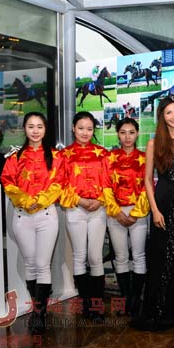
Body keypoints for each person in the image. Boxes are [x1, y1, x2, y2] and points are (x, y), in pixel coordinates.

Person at [131, 97, 174, 331]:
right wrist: (155, 210)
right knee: (161, 256)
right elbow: (148, 180)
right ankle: (159, 310)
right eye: (169, 112)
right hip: (163, 203)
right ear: (162, 116)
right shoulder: (153, 143)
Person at [0, 112, 64, 335]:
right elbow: (7, 181)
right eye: (31, 126)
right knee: (30, 263)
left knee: (42, 264)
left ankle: (39, 314)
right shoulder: (15, 157)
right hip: (22, 217)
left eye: (39, 126)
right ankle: (37, 308)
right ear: (24, 129)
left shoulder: (56, 157)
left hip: (47, 215)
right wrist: (26, 201)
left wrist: (40, 201)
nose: (35, 131)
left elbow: (59, 182)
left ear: (45, 129)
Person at [60, 111, 108, 321]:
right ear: (73, 129)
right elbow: (59, 184)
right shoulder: (63, 155)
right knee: (79, 256)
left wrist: (100, 200)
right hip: (75, 209)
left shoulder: (103, 154)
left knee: (95, 257)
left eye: (89, 129)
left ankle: (97, 306)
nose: (85, 132)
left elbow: (109, 182)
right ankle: (85, 303)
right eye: (81, 128)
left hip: (98, 209)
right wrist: (79, 200)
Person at [102, 117, 149, 316]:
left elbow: (148, 187)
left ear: (137, 134)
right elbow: (105, 186)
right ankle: (126, 299)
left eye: (131, 132)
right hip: (116, 214)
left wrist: (135, 213)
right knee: (120, 257)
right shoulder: (109, 158)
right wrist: (117, 212)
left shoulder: (146, 157)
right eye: (123, 132)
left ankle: (135, 301)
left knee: (138, 256)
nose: (127, 137)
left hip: (139, 212)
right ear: (117, 134)